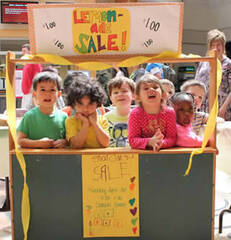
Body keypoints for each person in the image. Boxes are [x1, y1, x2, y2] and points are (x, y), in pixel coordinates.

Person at [17, 71, 68, 148]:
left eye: (52, 90)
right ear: (34, 94)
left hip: (59, 158)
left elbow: (70, 139)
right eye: (43, 90)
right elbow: (20, 140)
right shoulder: (29, 116)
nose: (47, 94)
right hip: (34, 159)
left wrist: (65, 142)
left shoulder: (64, 117)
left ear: (59, 94)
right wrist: (38, 143)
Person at [128, 74, 176, 151]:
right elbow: (132, 140)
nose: (151, 90)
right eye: (146, 88)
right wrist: (150, 142)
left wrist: (161, 143)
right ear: (137, 97)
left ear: (163, 94)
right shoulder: (135, 114)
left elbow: (172, 138)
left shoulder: (169, 112)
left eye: (155, 87)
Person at [195, 29, 231, 120]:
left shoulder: (228, 64)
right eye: (213, 45)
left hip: (221, 108)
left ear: (223, 46)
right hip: (203, 109)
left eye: (218, 45)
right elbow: (196, 83)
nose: (215, 48)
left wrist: (223, 108)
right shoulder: (203, 62)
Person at [65, 76, 110, 149]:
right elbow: (76, 145)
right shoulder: (71, 121)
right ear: (73, 105)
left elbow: (106, 143)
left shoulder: (102, 120)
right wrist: (85, 124)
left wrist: (95, 124)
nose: (85, 109)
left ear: (97, 103)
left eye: (90, 104)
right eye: (80, 104)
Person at [104, 76, 135, 147]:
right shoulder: (105, 118)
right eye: (115, 92)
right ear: (111, 98)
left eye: (124, 91)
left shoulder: (138, 117)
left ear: (133, 95)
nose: (120, 94)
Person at [21, 43, 43, 110]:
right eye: (22, 51)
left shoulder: (35, 61)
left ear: (30, 51)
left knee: (28, 112)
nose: (23, 53)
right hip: (26, 92)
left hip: (31, 92)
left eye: (24, 51)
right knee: (25, 112)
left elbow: (37, 75)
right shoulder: (27, 62)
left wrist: (33, 88)